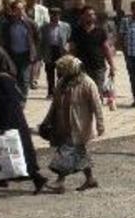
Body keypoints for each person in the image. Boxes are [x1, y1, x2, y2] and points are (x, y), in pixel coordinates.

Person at [0, 45, 48, 196]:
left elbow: (6, 104)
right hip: (0, 124)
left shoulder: (2, 80)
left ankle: (38, 179)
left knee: (13, 157)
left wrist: (3, 126)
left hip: (6, 125)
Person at [41, 55, 104, 193]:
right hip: (63, 124)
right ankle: (90, 179)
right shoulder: (62, 82)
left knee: (65, 152)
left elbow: (97, 105)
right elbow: (55, 103)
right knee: (80, 153)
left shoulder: (87, 83)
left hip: (79, 126)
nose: (61, 73)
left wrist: (100, 125)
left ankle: (60, 181)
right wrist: (46, 121)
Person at [69, 6, 115, 102]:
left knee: (97, 93)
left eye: (93, 15)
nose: (92, 17)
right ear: (83, 16)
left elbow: (106, 48)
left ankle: (97, 115)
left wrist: (112, 66)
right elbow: (72, 49)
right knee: (82, 94)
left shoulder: (100, 31)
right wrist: (70, 64)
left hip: (98, 67)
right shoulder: (76, 31)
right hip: (81, 67)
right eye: (89, 15)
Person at [2, 0, 37, 100]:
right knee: (14, 77)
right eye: (18, 9)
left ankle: (22, 100)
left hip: (25, 54)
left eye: (22, 8)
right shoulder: (7, 24)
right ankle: (15, 98)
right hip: (12, 54)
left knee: (24, 78)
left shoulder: (30, 23)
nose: (21, 11)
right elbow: (4, 39)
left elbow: (38, 37)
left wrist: (34, 51)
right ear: (13, 11)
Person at [38, 8, 70, 98]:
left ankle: (60, 92)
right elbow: (42, 41)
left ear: (59, 16)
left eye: (57, 15)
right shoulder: (44, 27)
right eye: (53, 15)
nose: (55, 17)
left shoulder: (65, 26)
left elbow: (68, 38)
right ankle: (51, 92)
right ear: (50, 15)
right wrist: (41, 54)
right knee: (49, 72)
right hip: (49, 50)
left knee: (61, 73)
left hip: (61, 51)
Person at [24, 0, 50, 90]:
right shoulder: (22, 9)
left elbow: (46, 23)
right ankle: (27, 78)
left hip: (38, 38)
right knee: (27, 58)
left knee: (37, 59)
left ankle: (34, 79)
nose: (32, 0)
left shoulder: (42, 10)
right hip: (25, 38)